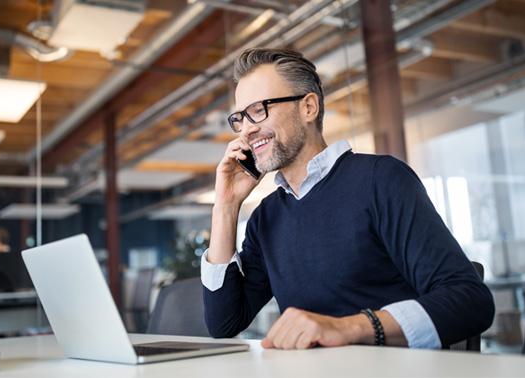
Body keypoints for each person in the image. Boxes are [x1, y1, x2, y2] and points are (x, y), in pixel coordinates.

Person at [201, 48, 495, 350]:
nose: (247, 129)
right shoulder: (266, 217)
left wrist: (350, 328)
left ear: (309, 107)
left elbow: (470, 300)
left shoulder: (381, 180)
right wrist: (225, 205)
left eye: (259, 110)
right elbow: (224, 323)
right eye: (239, 118)